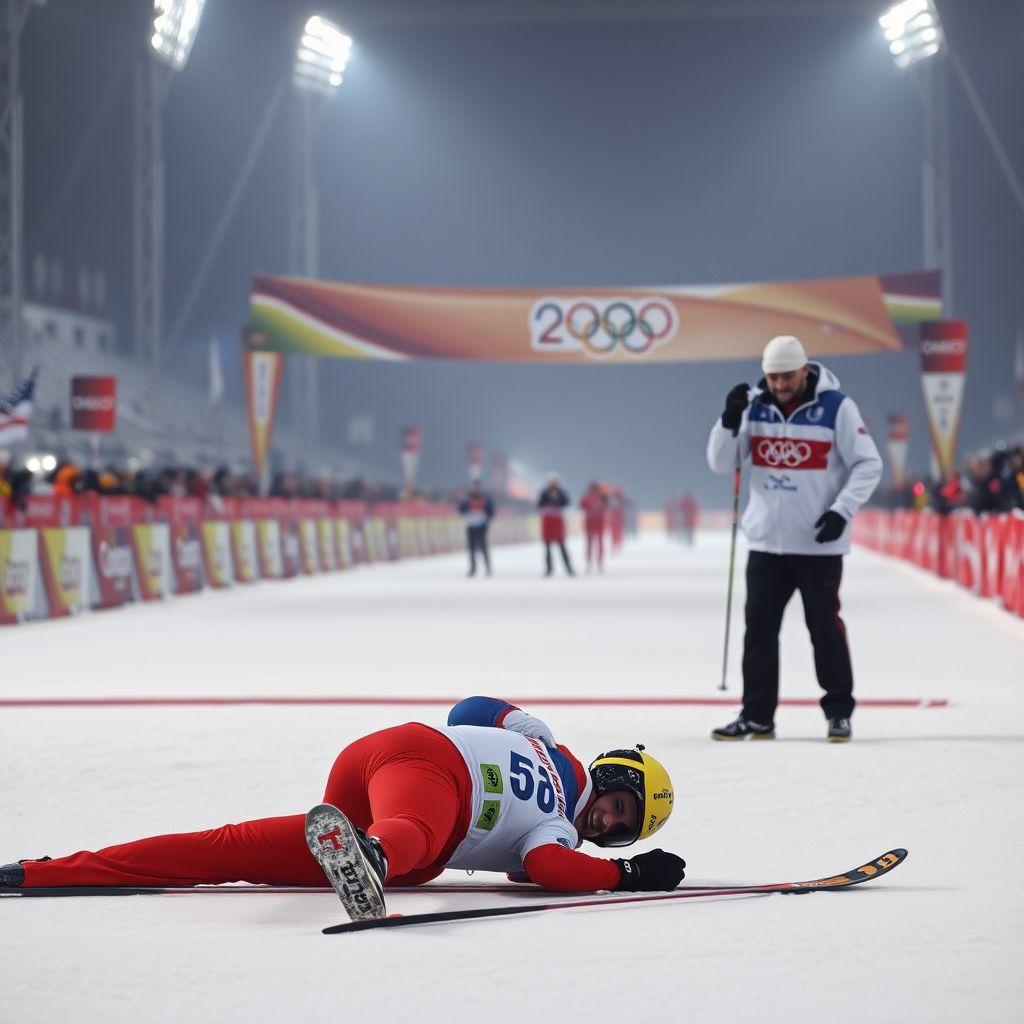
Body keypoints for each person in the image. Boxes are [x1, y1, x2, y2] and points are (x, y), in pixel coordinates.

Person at [0, 696, 686, 924]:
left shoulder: (542, 740)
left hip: (377, 764)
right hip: (426, 787)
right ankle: (374, 858)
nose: (609, 826)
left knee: (229, 850)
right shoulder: (557, 826)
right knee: (416, 843)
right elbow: (549, 868)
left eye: (621, 835)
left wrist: (515, 720)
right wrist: (626, 880)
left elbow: (466, 710)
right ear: (613, 776)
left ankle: (37, 873)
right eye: (620, 808)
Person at [706, 334, 882, 743]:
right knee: (759, 631)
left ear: (805, 369)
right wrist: (727, 421)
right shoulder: (753, 405)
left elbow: (868, 464)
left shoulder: (837, 407)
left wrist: (842, 510)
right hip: (767, 542)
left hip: (818, 544)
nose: (780, 385)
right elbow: (720, 462)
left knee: (824, 628)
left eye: (787, 377)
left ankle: (839, 712)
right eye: (773, 377)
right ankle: (757, 717)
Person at [538, 473, 574, 576]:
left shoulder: (561, 492)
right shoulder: (544, 493)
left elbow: (567, 502)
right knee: (547, 547)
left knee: (562, 546)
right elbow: (539, 504)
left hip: (558, 523)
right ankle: (549, 569)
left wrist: (558, 502)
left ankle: (569, 568)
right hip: (548, 523)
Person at [457, 478, 495, 576]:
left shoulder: (486, 498)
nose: (476, 489)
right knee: (471, 548)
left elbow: (491, 511)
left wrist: (486, 516)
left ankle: (488, 567)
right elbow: (461, 510)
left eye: (477, 487)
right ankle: (473, 568)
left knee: (483, 546)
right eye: (474, 487)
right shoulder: (467, 498)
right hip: (471, 525)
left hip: (482, 525)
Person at [580, 480, 609, 572]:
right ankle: (590, 563)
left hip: (598, 522)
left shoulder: (602, 497)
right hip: (591, 522)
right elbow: (581, 506)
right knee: (590, 544)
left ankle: (599, 562)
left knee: (598, 543)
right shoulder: (587, 497)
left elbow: (608, 504)